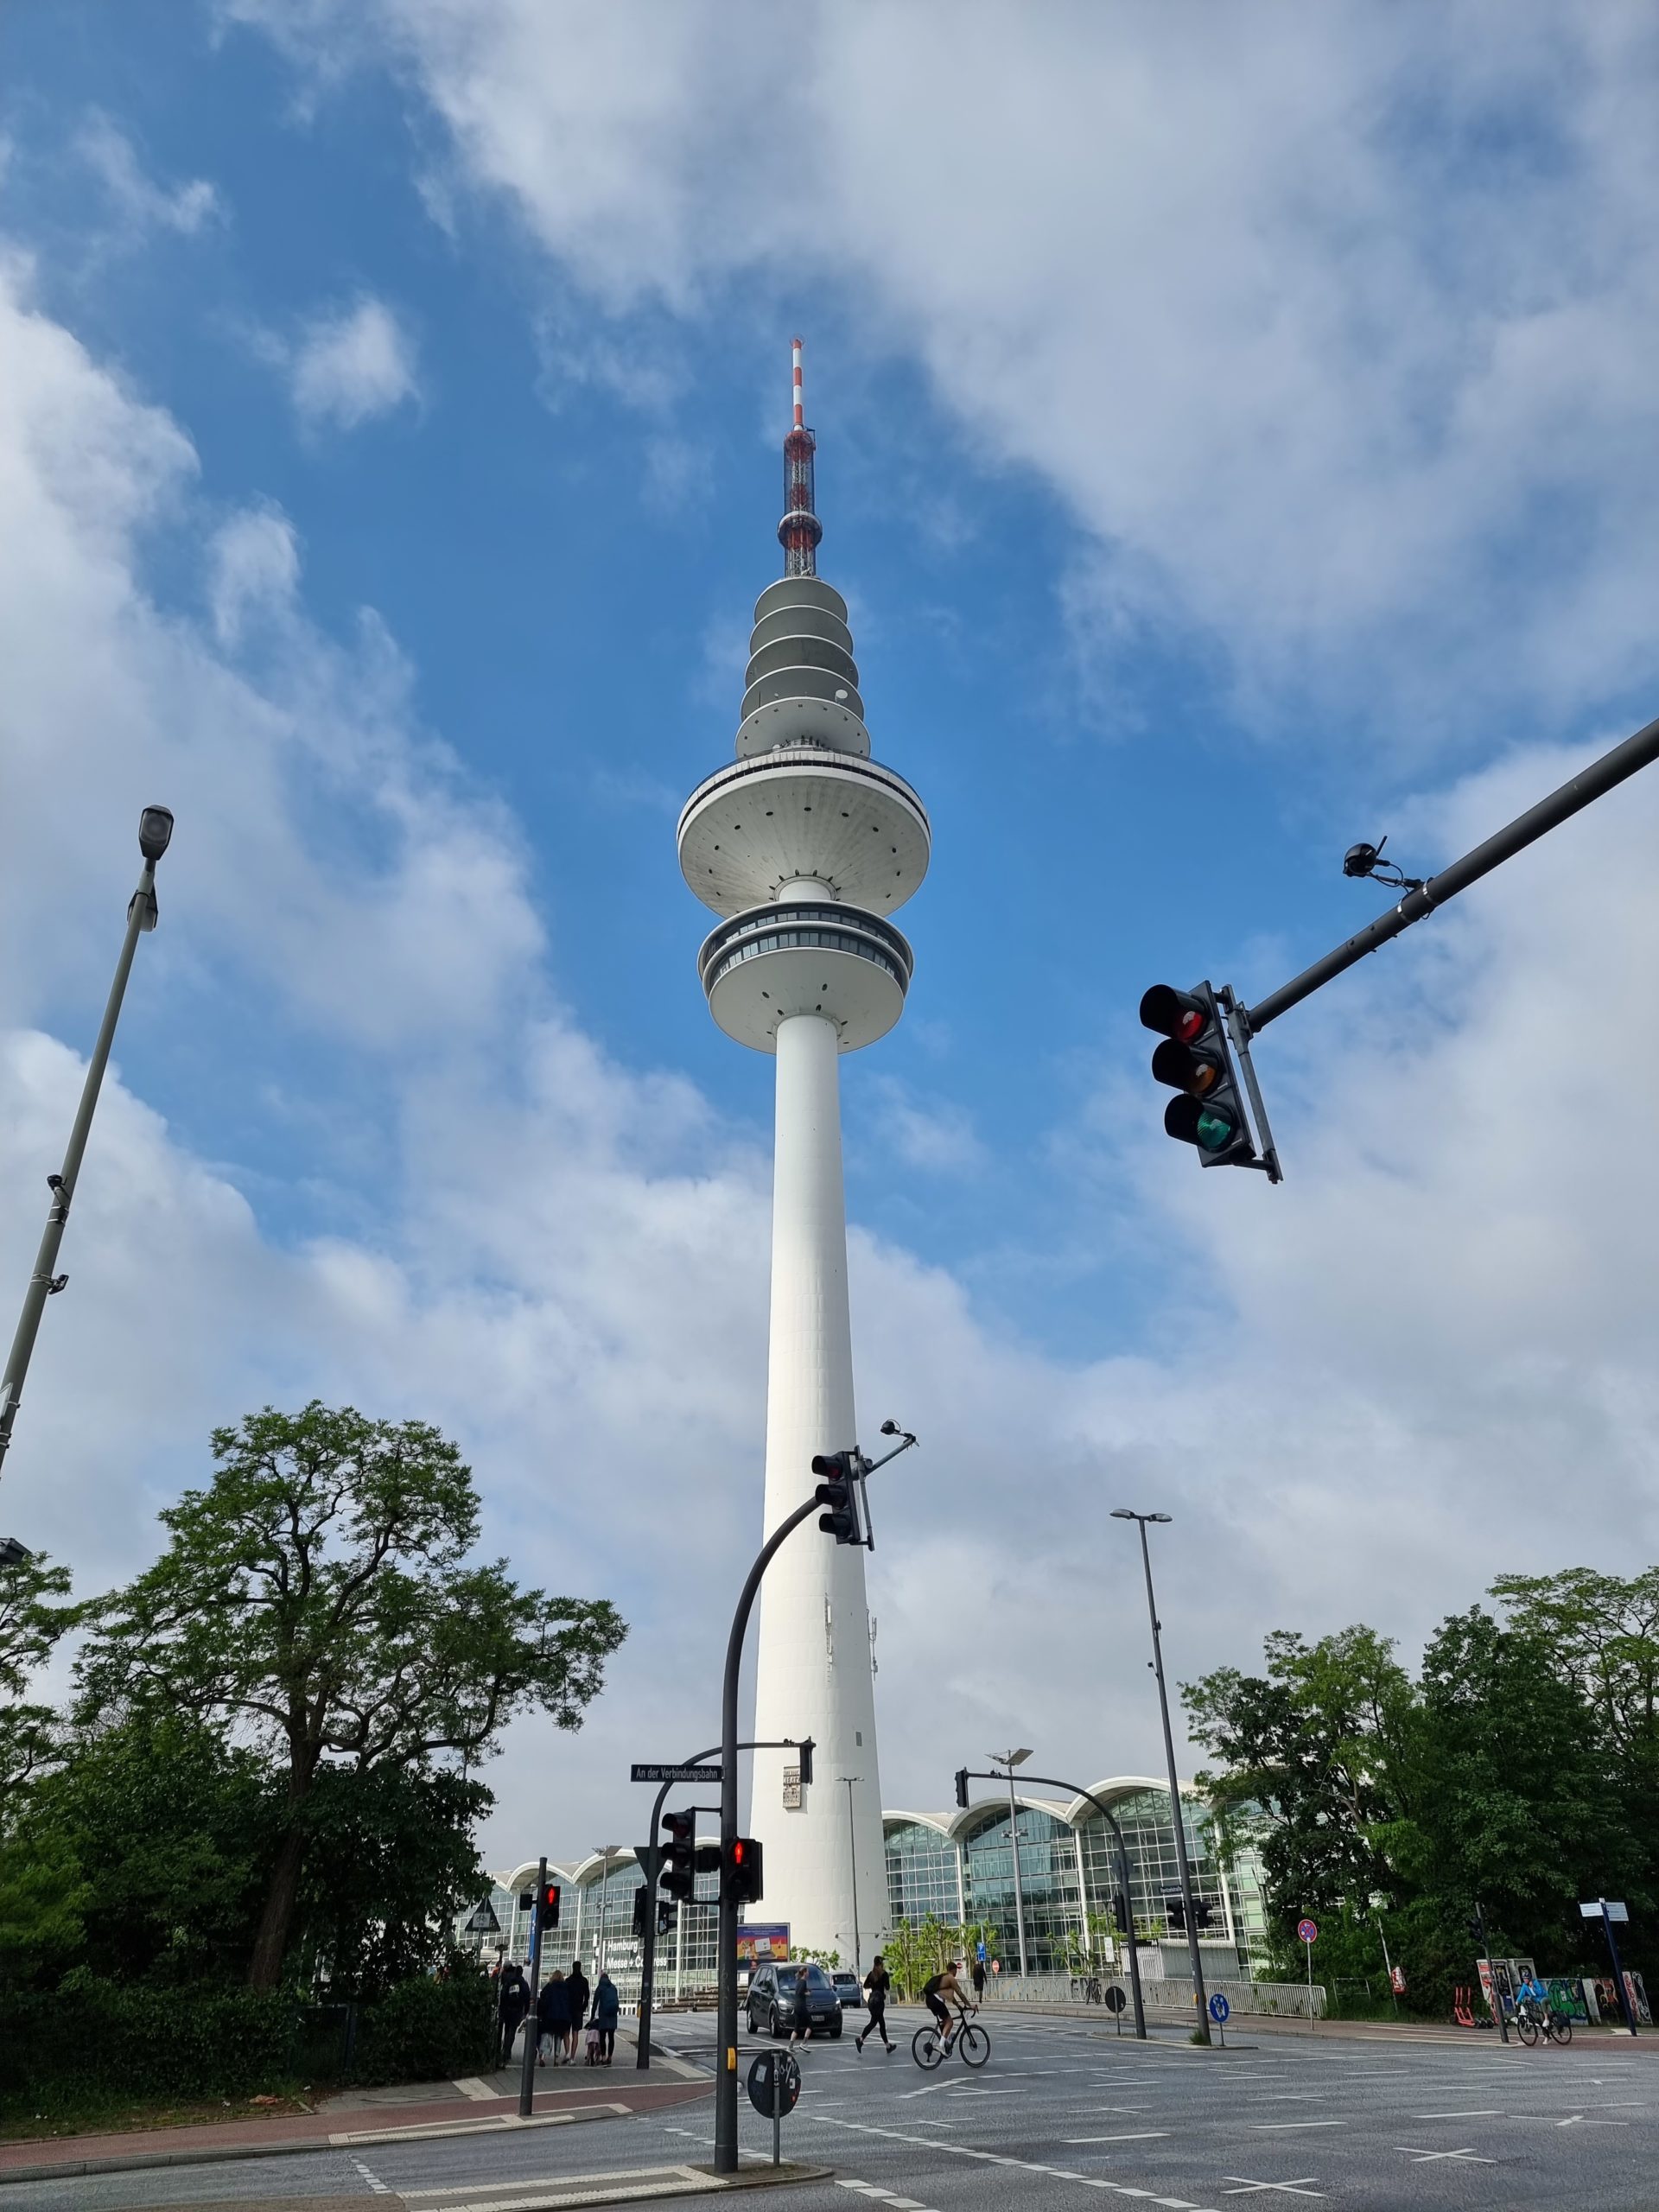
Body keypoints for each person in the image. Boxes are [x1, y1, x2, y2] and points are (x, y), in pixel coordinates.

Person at [922, 1960, 971, 2052]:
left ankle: (946, 2041)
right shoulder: (950, 1978)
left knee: (945, 2022)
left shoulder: (944, 1977)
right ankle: (941, 2045)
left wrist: (958, 2006)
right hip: (936, 2000)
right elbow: (960, 1993)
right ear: (953, 1970)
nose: (956, 1973)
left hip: (930, 1999)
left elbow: (951, 1997)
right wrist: (970, 2005)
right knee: (950, 2022)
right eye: (956, 1970)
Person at [856, 1955, 894, 2053]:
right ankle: (860, 2040)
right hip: (879, 2002)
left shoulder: (871, 1974)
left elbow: (865, 1985)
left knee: (878, 2022)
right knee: (876, 2023)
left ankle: (887, 2046)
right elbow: (887, 1987)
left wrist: (873, 1985)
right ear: (881, 1963)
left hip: (872, 2001)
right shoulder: (884, 1974)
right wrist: (881, 1985)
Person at [496, 1961, 529, 2068]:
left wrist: (502, 2008)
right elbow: (527, 1997)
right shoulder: (523, 1983)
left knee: (507, 2029)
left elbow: (503, 1995)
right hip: (517, 2010)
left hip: (507, 2009)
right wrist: (526, 2011)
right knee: (512, 2031)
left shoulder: (509, 1982)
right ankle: (508, 2049)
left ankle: (505, 2048)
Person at [537, 1968, 571, 2066]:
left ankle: (543, 2057)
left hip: (550, 2016)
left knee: (547, 2036)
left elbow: (542, 1996)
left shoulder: (550, 1986)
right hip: (562, 2018)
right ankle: (556, 2059)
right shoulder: (566, 1988)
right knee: (558, 2037)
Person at [592, 1969, 620, 2064]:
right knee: (611, 2037)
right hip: (613, 2015)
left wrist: (592, 2017)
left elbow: (595, 2003)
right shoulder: (613, 1987)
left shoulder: (600, 1988)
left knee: (602, 2037)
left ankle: (603, 2057)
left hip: (604, 2015)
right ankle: (610, 2057)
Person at [565, 1961, 591, 2064]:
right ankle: (572, 2057)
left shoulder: (568, 1981)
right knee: (575, 2033)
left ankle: (567, 2052)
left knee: (566, 2032)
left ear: (572, 1968)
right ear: (580, 1968)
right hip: (578, 2010)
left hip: (568, 2009)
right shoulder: (584, 1981)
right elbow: (587, 1996)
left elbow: (565, 1996)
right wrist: (583, 2007)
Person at [789, 1963, 815, 2045]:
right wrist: (807, 1993)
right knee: (810, 2024)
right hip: (801, 2006)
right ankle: (804, 2043)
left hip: (796, 2006)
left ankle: (790, 2046)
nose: (808, 1973)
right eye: (808, 1972)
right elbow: (801, 1992)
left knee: (797, 2027)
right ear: (804, 1972)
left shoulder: (799, 1982)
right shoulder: (803, 1982)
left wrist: (807, 1991)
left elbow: (799, 1991)